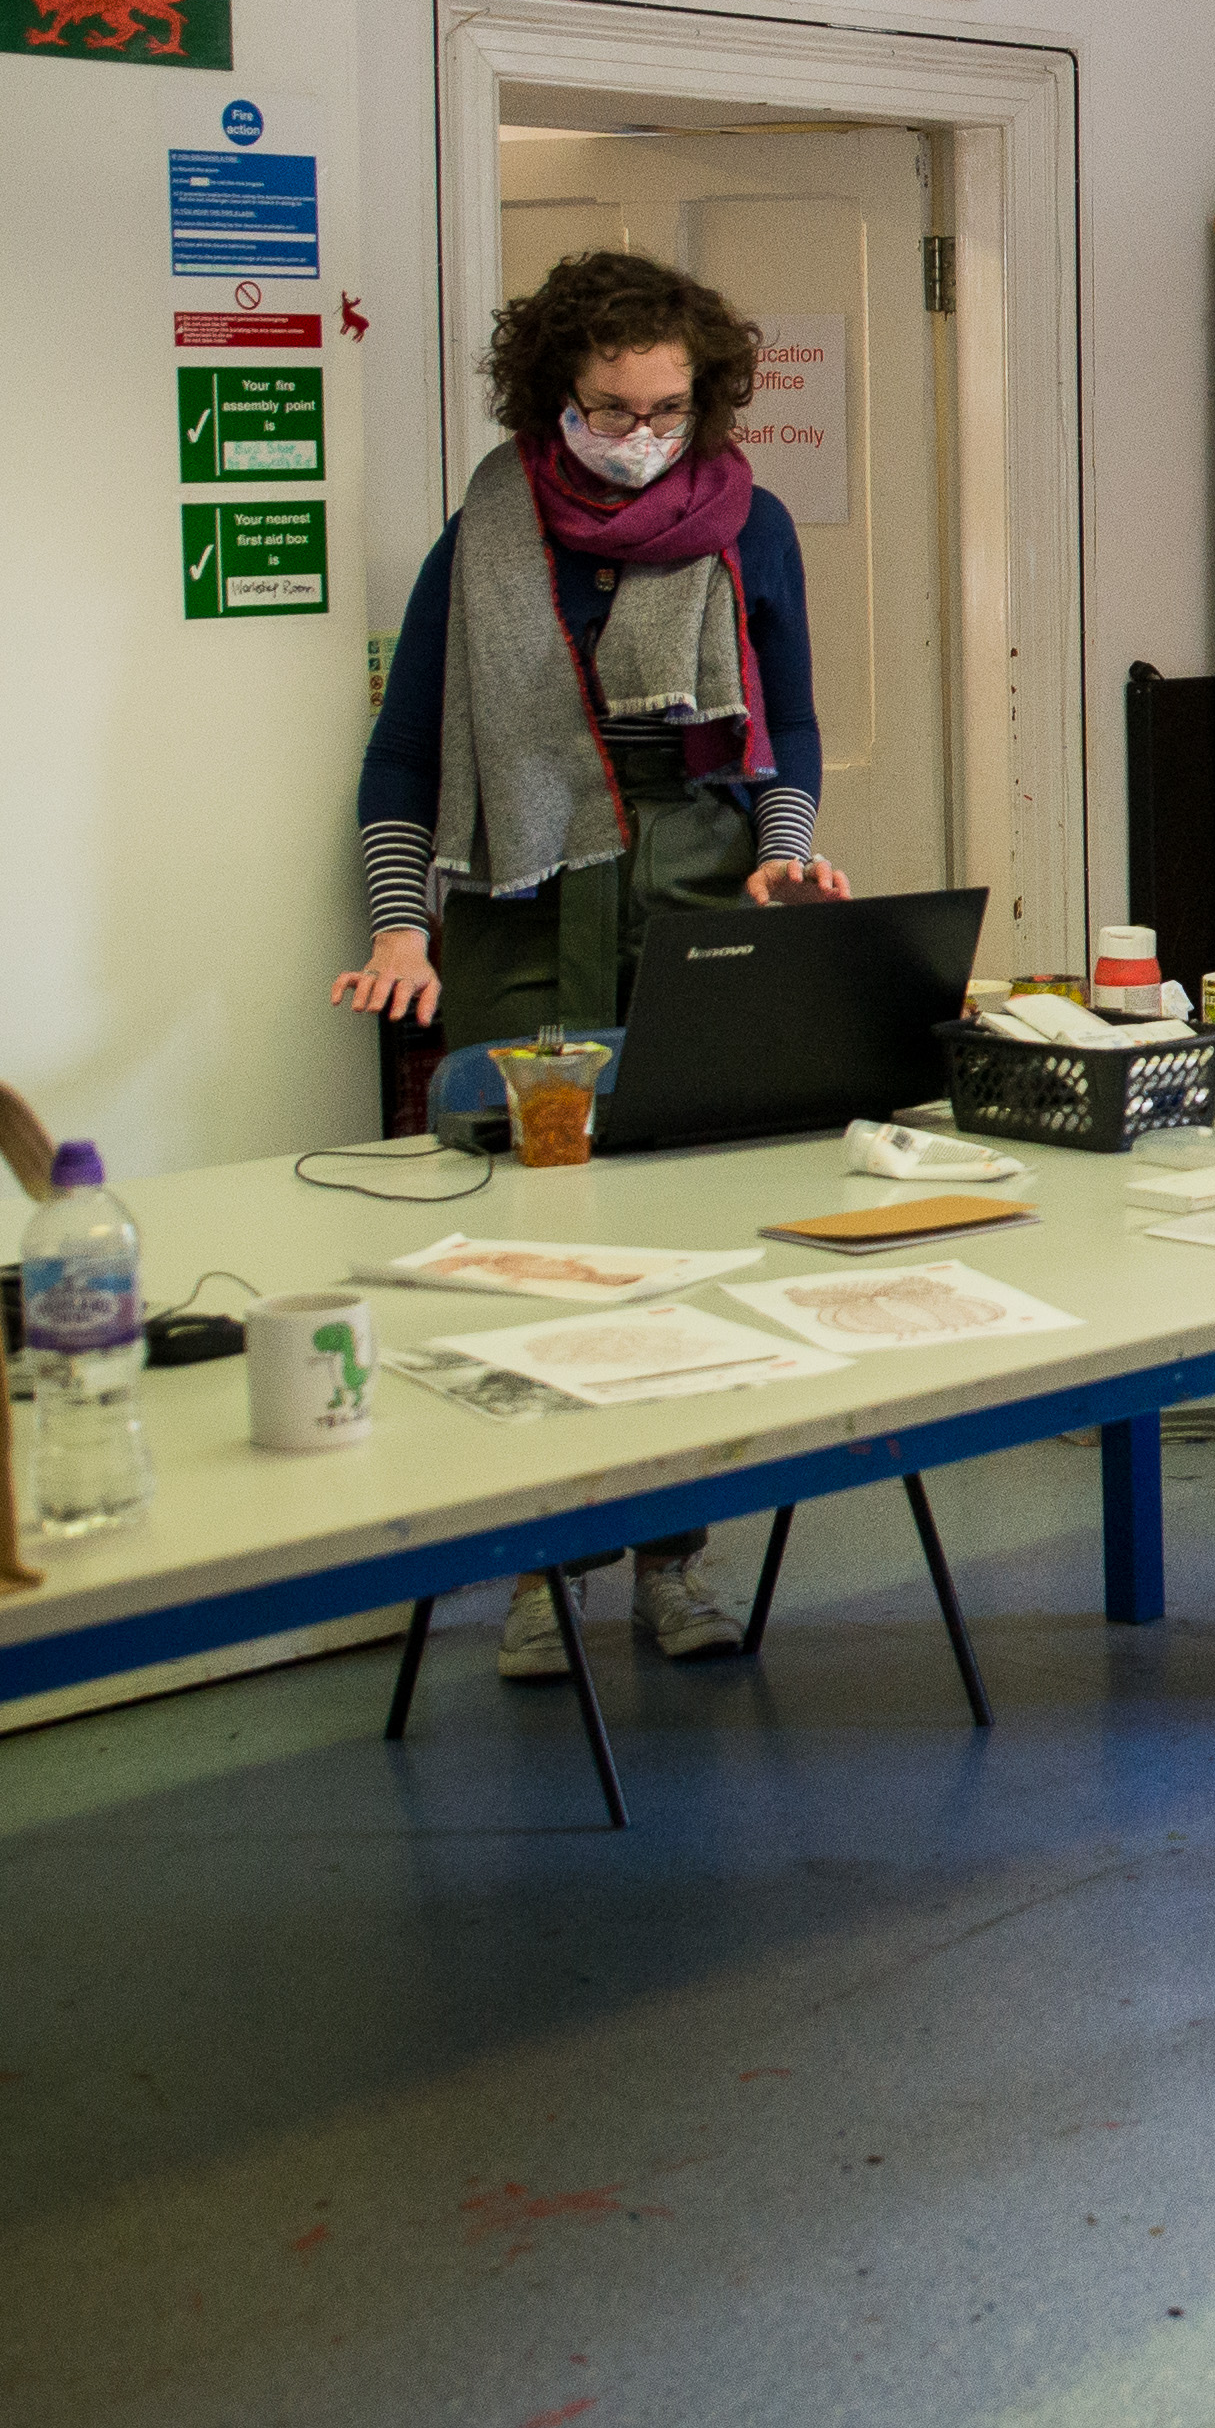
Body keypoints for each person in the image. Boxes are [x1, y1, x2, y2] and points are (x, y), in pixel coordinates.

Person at [334, 248, 851, 1684]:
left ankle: (676, 1561)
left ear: (708, 400)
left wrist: (784, 852)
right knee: (532, 1245)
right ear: (551, 394)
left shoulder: (753, 529)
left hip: (693, 883)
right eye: (605, 410)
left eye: (665, 410)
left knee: (684, 1234)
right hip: (518, 892)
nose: (634, 438)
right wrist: (396, 924)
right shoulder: (489, 531)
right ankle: (540, 1571)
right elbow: (405, 756)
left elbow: (788, 728)